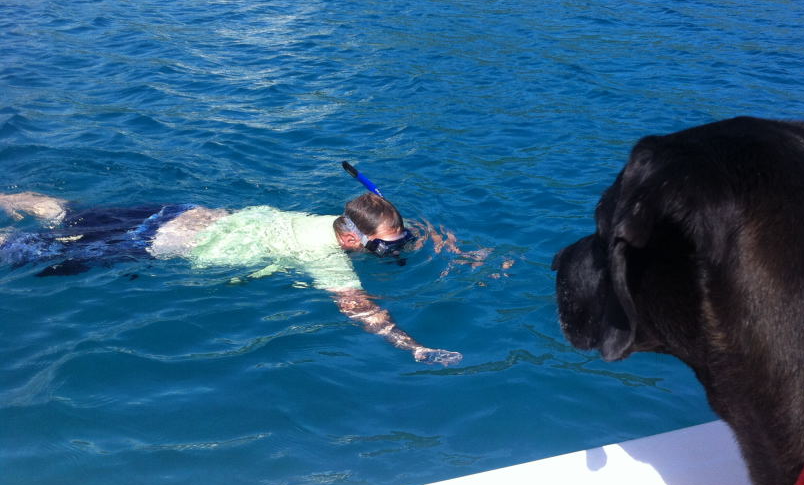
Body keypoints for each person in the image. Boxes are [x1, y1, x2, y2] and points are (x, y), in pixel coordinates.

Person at [0, 191, 462, 366]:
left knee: (71, 216)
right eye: (385, 247)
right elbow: (362, 310)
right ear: (350, 240)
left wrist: (444, 245)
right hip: (159, 243)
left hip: (181, 212)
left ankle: (14, 198)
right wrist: (413, 346)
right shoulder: (324, 256)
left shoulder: (332, 222)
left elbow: (391, 232)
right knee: (31, 251)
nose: (393, 251)